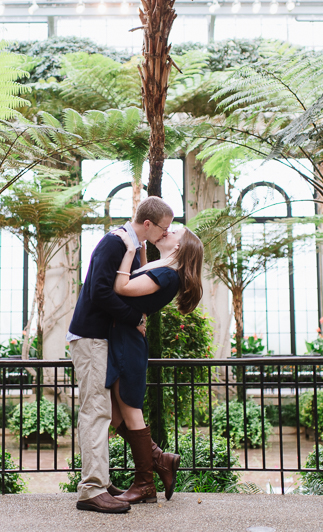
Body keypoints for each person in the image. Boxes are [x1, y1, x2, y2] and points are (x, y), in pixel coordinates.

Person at [67, 197, 173, 514]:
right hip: (91, 336)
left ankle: (102, 481)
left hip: (101, 339)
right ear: (147, 224)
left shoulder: (130, 247)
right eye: (163, 228)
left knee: (106, 412)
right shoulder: (113, 243)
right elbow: (99, 290)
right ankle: (91, 490)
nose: (165, 234)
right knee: (96, 412)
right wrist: (134, 319)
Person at [106, 225, 204, 505]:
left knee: (129, 410)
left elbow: (122, 286)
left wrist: (129, 249)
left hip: (127, 342)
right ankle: (161, 460)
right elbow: (139, 282)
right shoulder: (163, 269)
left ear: (178, 247)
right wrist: (141, 254)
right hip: (123, 338)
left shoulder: (167, 274)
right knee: (115, 416)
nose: (167, 231)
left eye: (173, 232)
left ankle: (145, 484)